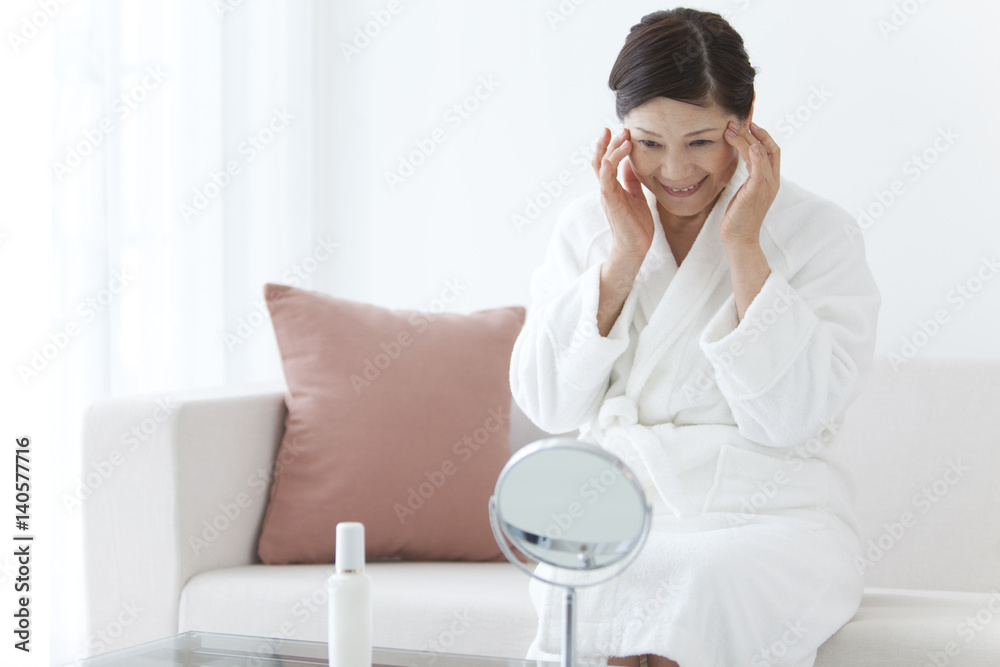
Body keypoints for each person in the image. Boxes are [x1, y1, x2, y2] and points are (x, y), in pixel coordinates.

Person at [509, 8, 881, 667]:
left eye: (701, 141)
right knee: (592, 577)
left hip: (774, 519)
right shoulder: (586, 230)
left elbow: (791, 419)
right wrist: (622, 258)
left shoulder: (819, 232)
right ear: (620, 133)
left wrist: (744, 246)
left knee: (709, 573)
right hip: (624, 509)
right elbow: (549, 405)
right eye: (649, 143)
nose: (674, 169)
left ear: (745, 122)